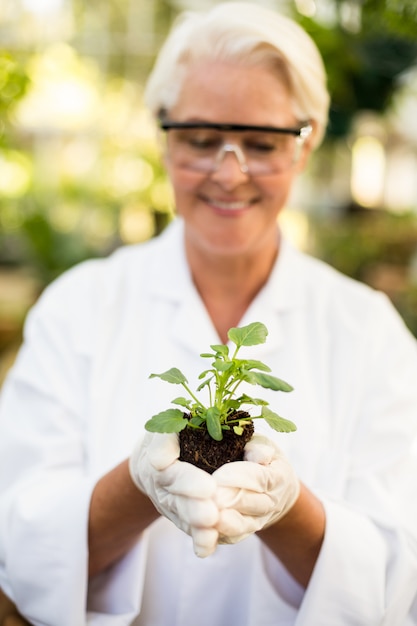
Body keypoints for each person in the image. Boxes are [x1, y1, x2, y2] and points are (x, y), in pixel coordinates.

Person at [1, 2, 417, 624]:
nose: (230, 173)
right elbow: (22, 547)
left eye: (261, 141)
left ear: (306, 145)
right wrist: (140, 483)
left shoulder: (368, 331)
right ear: (163, 134)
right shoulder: (79, 308)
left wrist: (287, 506)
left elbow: (395, 577)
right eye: (200, 139)